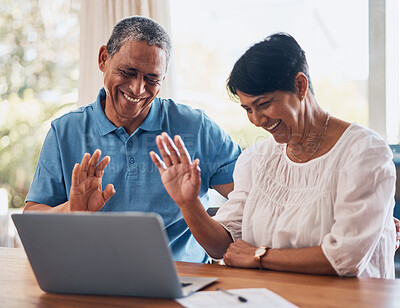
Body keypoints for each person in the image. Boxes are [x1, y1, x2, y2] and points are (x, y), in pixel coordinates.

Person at [150, 32, 398, 278]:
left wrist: (260, 256)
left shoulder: (363, 152)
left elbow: (345, 258)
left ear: (300, 86)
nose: (257, 120)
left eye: (264, 104)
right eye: (248, 109)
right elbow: (222, 247)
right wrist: (188, 204)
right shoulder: (257, 158)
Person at [24, 16, 241, 263]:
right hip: (91, 278)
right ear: (103, 59)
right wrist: (70, 210)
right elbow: (32, 218)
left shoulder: (197, 127)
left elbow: (252, 197)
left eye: (152, 79)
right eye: (128, 72)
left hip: (183, 280)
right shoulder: (64, 131)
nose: (138, 89)